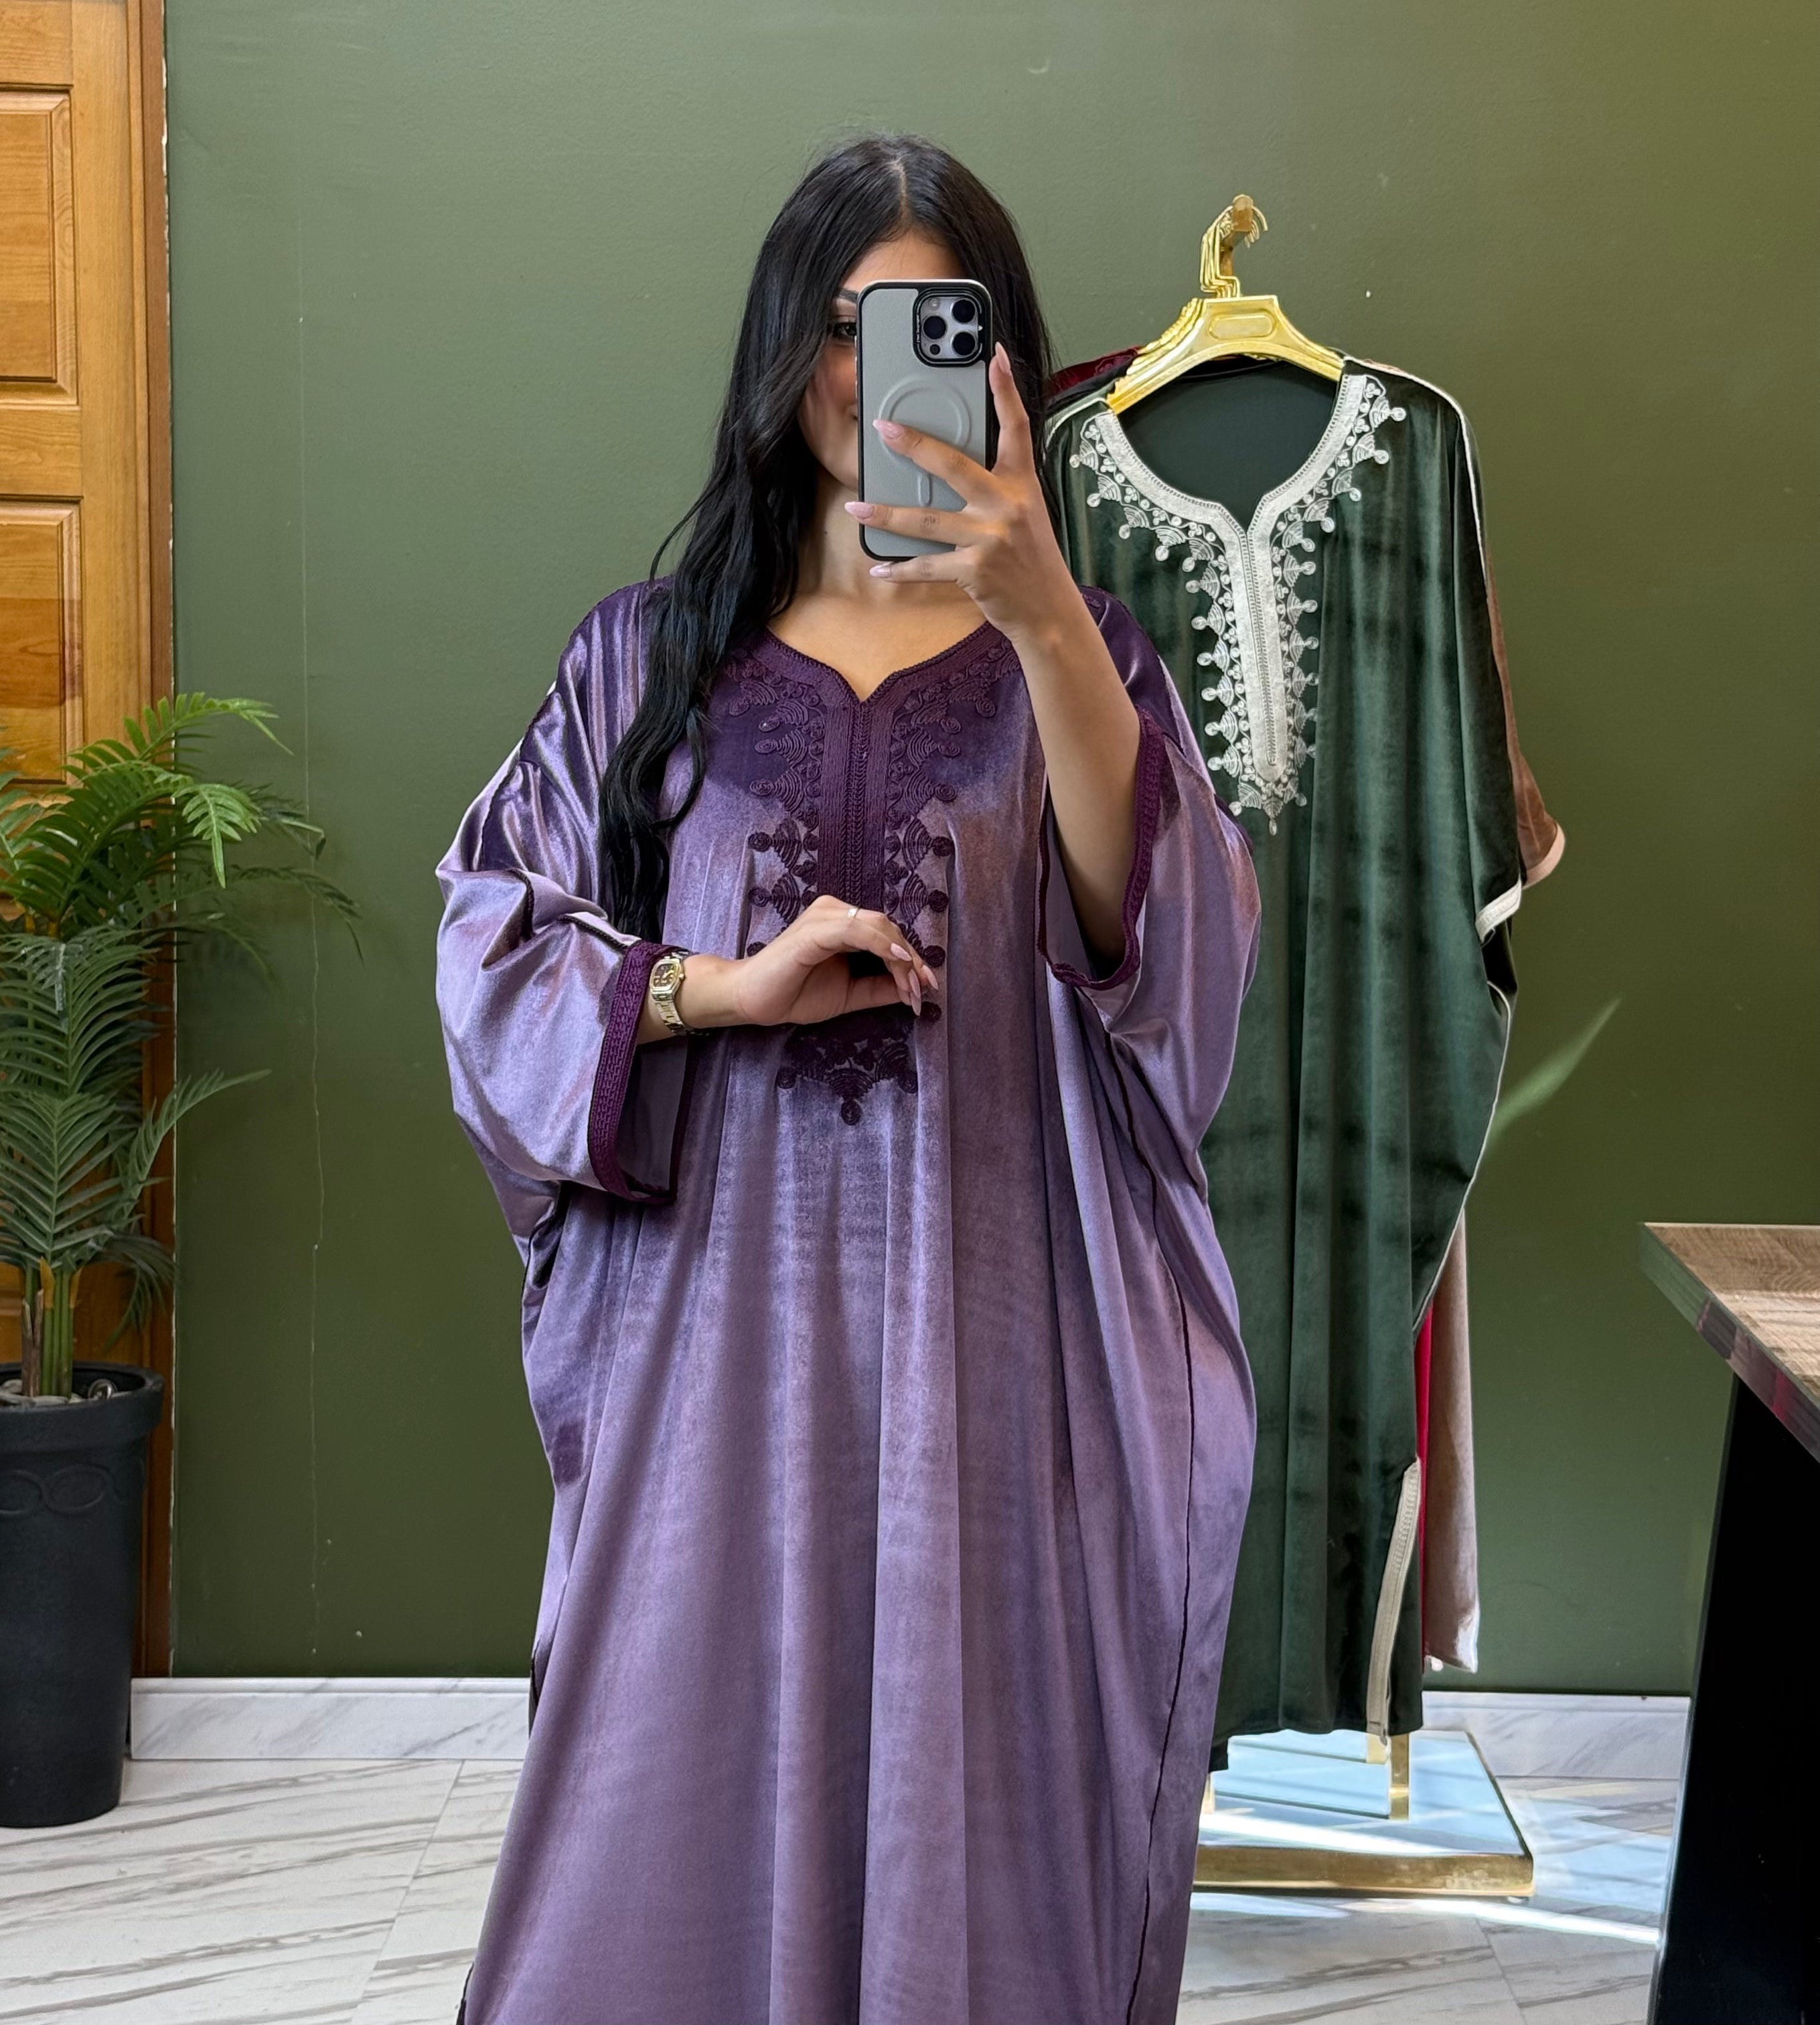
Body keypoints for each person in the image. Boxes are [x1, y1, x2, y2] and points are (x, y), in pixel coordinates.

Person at [435, 133, 1260, 2025]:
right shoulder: (648, 667)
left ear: (997, 361)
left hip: (997, 1374)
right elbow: (490, 955)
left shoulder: (1085, 660)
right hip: (709, 1383)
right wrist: (717, 989)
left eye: (922, 328)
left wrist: (1043, 609)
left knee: (984, 1815)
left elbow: (1178, 968)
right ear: (780, 349)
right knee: (669, 1796)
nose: (865, 375)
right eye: (837, 325)